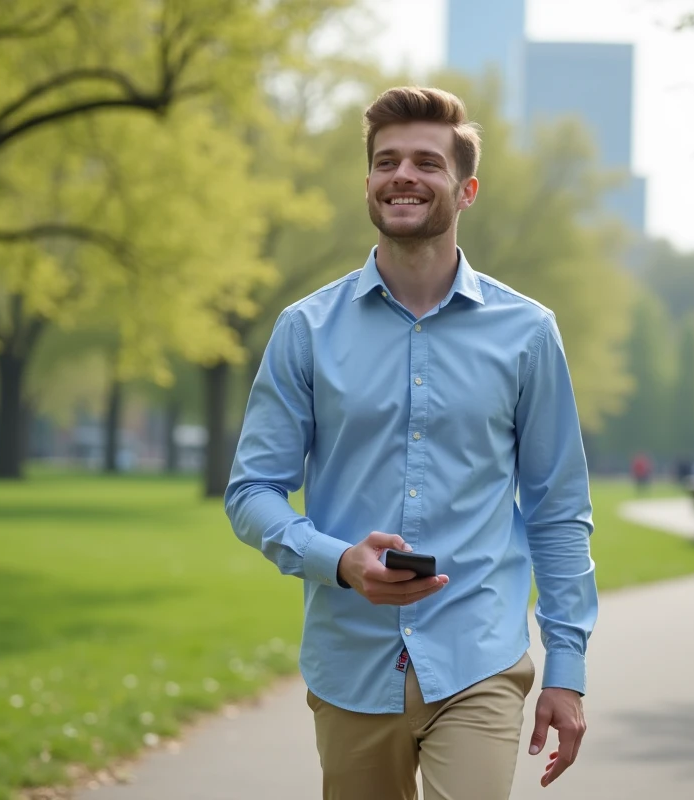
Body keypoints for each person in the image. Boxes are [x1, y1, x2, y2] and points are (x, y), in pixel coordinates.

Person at [224, 87, 596, 800]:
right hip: (350, 664)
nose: (403, 175)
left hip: (478, 657)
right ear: (366, 182)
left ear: (467, 189)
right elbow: (252, 492)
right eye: (386, 161)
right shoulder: (306, 329)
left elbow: (559, 509)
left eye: (428, 162)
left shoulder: (528, 332)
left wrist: (567, 672)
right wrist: (337, 562)